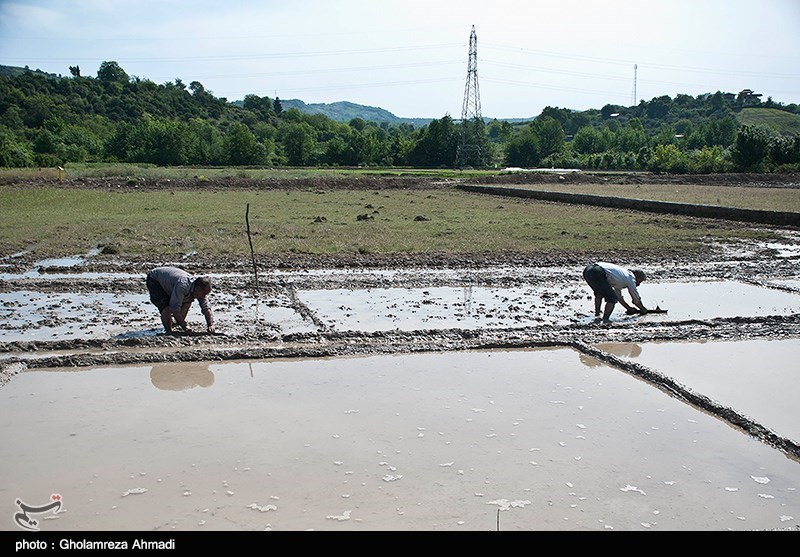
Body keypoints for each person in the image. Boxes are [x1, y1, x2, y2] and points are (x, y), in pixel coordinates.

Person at [146, 266, 214, 333]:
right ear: (197, 288)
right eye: (204, 293)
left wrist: (210, 325)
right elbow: (175, 308)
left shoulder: (199, 291)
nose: (205, 296)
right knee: (165, 307)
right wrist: (185, 326)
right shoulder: (182, 286)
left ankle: (177, 323)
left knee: (187, 302)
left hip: (171, 283)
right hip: (155, 279)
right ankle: (169, 331)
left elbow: (207, 308)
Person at [582, 262, 648, 322]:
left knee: (599, 294)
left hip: (588, 270)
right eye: (640, 281)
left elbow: (619, 297)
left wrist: (629, 308)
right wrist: (643, 309)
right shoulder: (630, 278)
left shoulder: (622, 276)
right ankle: (605, 319)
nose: (639, 284)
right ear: (636, 275)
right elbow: (636, 299)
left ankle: (597, 315)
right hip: (598, 272)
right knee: (612, 298)